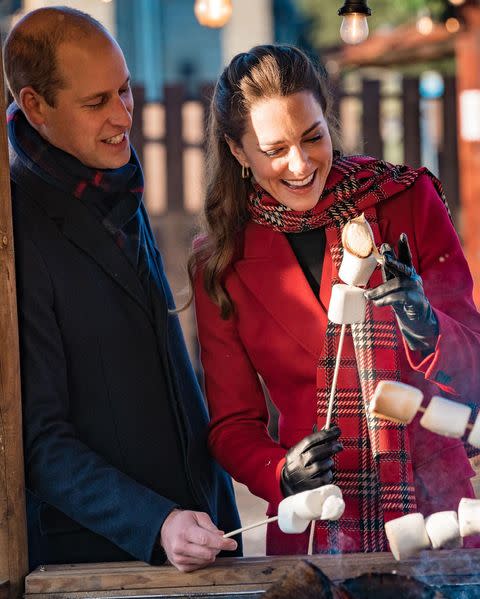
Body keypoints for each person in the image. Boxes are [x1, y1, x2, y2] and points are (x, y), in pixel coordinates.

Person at [190, 44, 480, 555]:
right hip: (319, 522)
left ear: (329, 120)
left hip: (436, 512)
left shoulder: (405, 200)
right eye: (274, 149)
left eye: (312, 137)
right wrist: (281, 472)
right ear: (238, 152)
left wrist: (426, 326)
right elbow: (233, 423)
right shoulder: (220, 259)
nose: (300, 164)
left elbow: (475, 365)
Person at [4, 6, 240, 572]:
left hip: (205, 527)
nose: (124, 115)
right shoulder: (14, 231)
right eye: (96, 103)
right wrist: (154, 522)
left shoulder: (110, 179)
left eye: (124, 91)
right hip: (99, 560)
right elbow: (38, 442)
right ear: (35, 106)